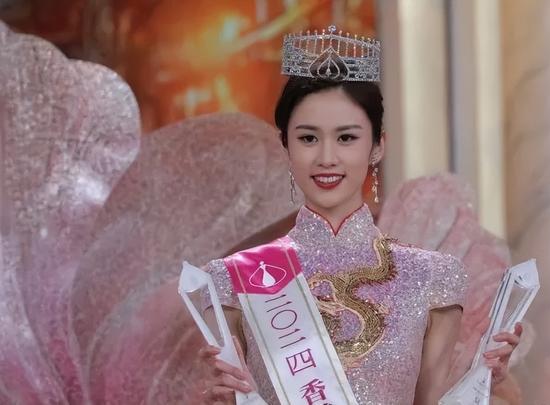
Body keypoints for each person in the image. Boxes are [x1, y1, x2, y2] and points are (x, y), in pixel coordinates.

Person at [198, 27, 521, 405]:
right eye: (308, 138)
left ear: (377, 147)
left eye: (346, 138)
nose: (326, 158)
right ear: (285, 146)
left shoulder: (433, 277)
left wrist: (482, 381)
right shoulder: (235, 280)